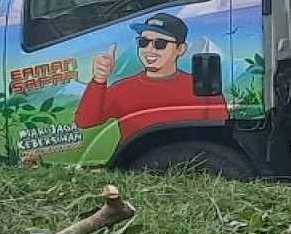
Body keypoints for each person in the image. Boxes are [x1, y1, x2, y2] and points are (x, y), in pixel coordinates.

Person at [74, 13, 229, 145]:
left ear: (181, 49)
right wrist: (99, 80)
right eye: (143, 42)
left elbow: (222, 135)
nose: (150, 50)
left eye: (160, 44)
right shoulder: (122, 89)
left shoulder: (202, 87)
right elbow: (85, 121)